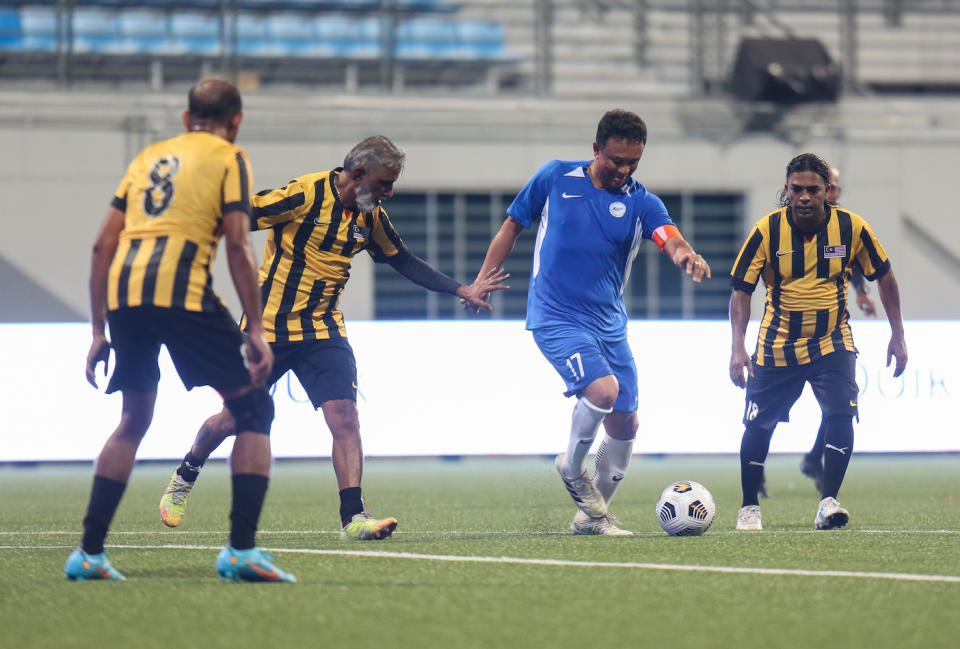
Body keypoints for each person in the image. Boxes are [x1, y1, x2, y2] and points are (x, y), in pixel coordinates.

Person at [158, 135, 508, 540]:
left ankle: (353, 516)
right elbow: (241, 216)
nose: (388, 194)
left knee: (345, 418)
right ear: (358, 174)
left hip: (323, 330)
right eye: (383, 184)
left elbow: (404, 261)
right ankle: (186, 474)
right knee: (233, 418)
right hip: (268, 328)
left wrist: (461, 289)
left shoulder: (369, 216)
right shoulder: (304, 195)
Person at [66, 79, 295, 582]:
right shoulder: (229, 158)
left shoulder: (148, 157)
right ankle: (240, 550)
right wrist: (255, 328)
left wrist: (97, 328)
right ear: (236, 122)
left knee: (133, 419)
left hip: (125, 294)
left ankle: (88, 554)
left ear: (186, 117)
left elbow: (102, 245)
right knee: (254, 408)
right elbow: (238, 244)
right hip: (181, 294)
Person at [469, 109, 710, 535]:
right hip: (555, 316)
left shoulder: (641, 202)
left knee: (625, 423)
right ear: (596, 148)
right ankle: (571, 464)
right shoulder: (555, 177)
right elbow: (512, 225)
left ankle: (591, 518)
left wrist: (685, 254)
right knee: (603, 390)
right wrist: (484, 277)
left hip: (609, 324)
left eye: (633, 162)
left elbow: (667, 237)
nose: (623, 169)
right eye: (616, 159)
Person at [729, 153, 907, 532]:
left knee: (841, 414)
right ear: (787, 190)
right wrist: (737, 348)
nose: (805, 197)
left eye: (814, 189)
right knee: (759, 425)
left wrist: (898, 333)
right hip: (778, 343)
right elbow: (741, 290)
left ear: (828, 191)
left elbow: (885, 276)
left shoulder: (852, 227)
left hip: (832, 340)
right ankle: (749, 507)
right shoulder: (766, 231)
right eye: (798, 189)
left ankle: (828, 501)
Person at [796, 163, 877, 492]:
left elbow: (852, 261)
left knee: (837, 404)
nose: (836, 192)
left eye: (837, 187)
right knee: (773, 406)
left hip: (830, 333)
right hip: (788, 330)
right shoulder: (790, 224)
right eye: (831, 186)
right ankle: (757, 472)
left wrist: (860, 293)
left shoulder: (844, 227)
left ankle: (814, 458)